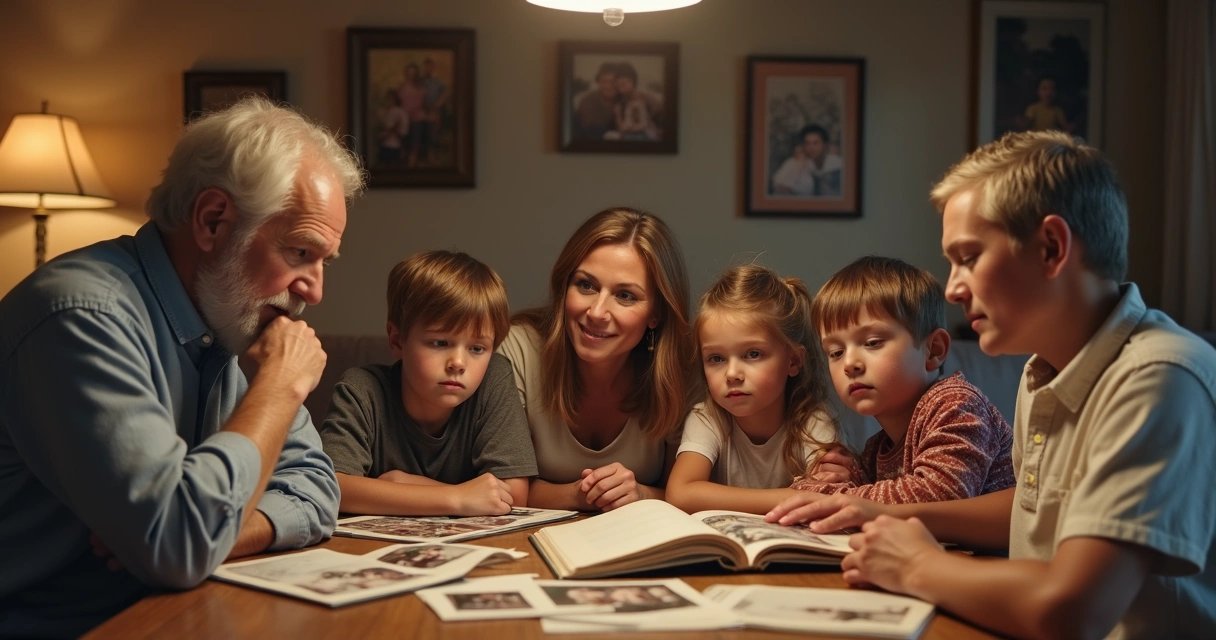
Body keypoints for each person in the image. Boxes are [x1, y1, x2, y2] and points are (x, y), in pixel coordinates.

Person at [767, 130, 1216, 639]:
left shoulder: (1157, 378)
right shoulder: (1043, 372)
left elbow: (1073, 612)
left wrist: (916, 566)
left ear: (1051, 248)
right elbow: (1027, 512)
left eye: (969, 257)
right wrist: (873, 507)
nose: (954, 287)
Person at [0, 95, 363, 637]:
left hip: (169, 612)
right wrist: (281, 387)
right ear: (213, 221)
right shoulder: (79, 316)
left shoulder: (228, 315)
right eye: (299, 252)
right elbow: (177, 546)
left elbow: (314, 487)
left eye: (322, 261)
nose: (314, 288)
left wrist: (222, 530)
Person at [497, 207, 696, 511]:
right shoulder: (517, 350)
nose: (597, 312)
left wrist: (639, 494)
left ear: (656, 313)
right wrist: (581, 494)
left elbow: (682, 491)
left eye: (625, 295)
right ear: (565, 286)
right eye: (586, 285)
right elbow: (502, 488)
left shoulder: (680, 371)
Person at [320, 250, 536, 516]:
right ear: (398, 340)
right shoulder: (362, 390)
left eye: (477, 348)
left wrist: (410, 486)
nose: (458, 362)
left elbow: (514, 495)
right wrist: (456, 498)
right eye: (440, 343)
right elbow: (331, 486)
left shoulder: (493, 377)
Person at [789, 256, 1015, 504]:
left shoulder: (956, 405)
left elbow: (938, 495)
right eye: (835, 352)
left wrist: (834, 495)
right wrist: (838, 475)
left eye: (873, 343)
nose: (849, 363)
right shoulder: (878, 448)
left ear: (934, 350)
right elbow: (845, 489)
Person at [665, 264, 852, 515]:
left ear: (793, 361)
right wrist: (791, 496)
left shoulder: (814, 420)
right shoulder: (707, 418)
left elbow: (827, 494)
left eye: (753, 354)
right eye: (716, 358)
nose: (731, 374)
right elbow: (680, 493)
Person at [771, 124, 844, 197]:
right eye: (807, 143)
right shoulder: (800, 162)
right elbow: (779, 186)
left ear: (825, 145)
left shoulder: (837, 165)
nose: (811, 147)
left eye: (815, 143)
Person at [573, 62, 619, 140]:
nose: (608, 86)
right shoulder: (588, 101)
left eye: (612, 82)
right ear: (598, 83)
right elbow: (589, 129)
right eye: (604, 82)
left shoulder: (622, 99)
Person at [418, 58, 449, 164]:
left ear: (432, 68)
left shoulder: (437, 82)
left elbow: (445, 94)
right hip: (421, 110)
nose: (427, 69)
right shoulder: (420, 81)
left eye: (429, 67)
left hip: (434, 110)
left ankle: (431, 155)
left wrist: (437, 105)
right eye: (426, 67)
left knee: (432, 131)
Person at [396, 63, 427, 168]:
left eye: (413, 73)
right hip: (404, 119)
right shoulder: (401, 87)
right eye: (409, 73)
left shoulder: (420, 88)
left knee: (415, 145)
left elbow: (421, 104)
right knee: (403, 145)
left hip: (416, 119)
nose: (411, 76)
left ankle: (411, 166)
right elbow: (398, 103)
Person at [376, 88, 409, 167]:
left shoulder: (400, 112)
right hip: (385, 145)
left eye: (390, 99)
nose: (388, 101)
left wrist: (393, 129)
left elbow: (403, 131)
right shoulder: (385, 112)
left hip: (395, 146)